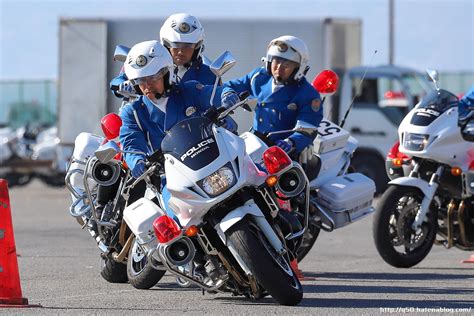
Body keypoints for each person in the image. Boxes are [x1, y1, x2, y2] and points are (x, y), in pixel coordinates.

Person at [116, 40, 238, 218]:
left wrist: (227, 94)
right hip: (171, 178)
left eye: (153, 77)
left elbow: (211, 93)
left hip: (210, 160)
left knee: (255, 180)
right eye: (141, 80)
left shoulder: (189, 90)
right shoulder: (132, 113)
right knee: (177, 219)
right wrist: (137, 162)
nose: (147, 84)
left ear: (167, 73)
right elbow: (131, 145)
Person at [222, 35, 322, 157]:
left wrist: (291, 142)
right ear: (269, 61)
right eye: (277, 61)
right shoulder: (258, 77)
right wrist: (226, 94)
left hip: (286, 153)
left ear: (298, 68)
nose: (279, 67)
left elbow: (308, 129)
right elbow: (230, 86)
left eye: (287, 64)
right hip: (254, 143)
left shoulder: (308, 94)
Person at [111, 13, 218, 100]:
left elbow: (219, 100)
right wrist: (123, 85)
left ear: (197, 47)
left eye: (187, 47)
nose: (180, 51)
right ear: (166, 45)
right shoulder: (147, 58)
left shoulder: (208, 73)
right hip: (146, 120)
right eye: (175, 46)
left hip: (189, 124)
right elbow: (117, 81)